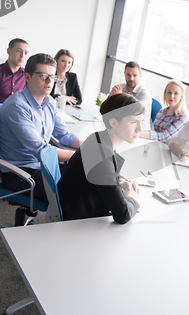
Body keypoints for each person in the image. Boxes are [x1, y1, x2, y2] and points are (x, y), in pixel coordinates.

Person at [0, 53, 82, 205]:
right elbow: (42, 150)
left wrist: (90, 148)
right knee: (75, 195)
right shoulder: (17, 106)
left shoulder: (49, 102)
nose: (50, 81)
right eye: (43, 76)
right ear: (27, 78)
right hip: (21, 172)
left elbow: (63, 135)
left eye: (52, 76)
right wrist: (80, 156)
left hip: (42, 165)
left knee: (87, 180)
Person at [58, 93, 143, 223]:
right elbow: (123, 214)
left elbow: (104, 177)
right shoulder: (101, 154)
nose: (140, 129)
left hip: (79, 208)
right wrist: (132, 197)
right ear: (114, 123)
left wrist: (119, 183)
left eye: (141, 122)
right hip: (77, 222)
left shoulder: (99, 138)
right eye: (133, 122)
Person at [109, 61, 152, 130]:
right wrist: (111, 96)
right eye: (128, 75)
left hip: (140, 131)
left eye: (135, 75)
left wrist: (119, 97)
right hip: (123, 127)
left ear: (140, 75)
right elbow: (108, 108)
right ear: (124, 74)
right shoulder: (120, 87)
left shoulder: (144, 93)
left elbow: (135, 112)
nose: (131, 78)